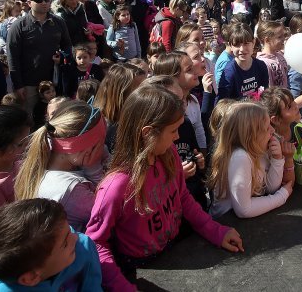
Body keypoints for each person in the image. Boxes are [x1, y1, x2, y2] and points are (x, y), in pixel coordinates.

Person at [85, 86, 243, 290]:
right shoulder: (116, 187)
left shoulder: (169, 155)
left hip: (174, 251)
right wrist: (122, 287)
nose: (177, 137)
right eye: (173, 130)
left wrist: (216, 231)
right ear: (148, 133)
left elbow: (183, 198)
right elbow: (96, 244)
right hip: (138, 269)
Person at [15, 100, 107, 232]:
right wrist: (94, 168)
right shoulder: (72, 191)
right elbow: (108, 210)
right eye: (100, 143)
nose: (104, 148)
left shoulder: (38, 162)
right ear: (86, 149)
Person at [0, 198, 102, 292]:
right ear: (30, 278)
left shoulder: (81, 248)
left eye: (69, 230)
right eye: (65, 243)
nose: (76, 238)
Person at [208, 102, 293, 218]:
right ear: (251, 135)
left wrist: (277, 159)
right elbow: (244, 210)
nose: (273, 130)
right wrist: (281, 197)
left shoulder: (258, 148)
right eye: (267, 127)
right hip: (226, 222)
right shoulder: (240, 157)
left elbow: (270, 188)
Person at [7, 0, 72, 114]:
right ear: (29, 3)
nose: (44, 3)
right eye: (39, 0)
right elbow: (12, 57)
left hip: (53, 80)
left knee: (56, 115)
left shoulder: (58, 22)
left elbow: (67, 45)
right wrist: (18, 85)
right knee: (28, 116)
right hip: (29, 83)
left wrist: (63, 56)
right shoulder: (19, 26)